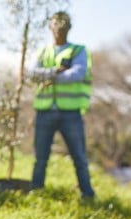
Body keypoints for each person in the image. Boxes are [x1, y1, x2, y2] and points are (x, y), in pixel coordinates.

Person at [30, 11, 95, 198]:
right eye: (55, 26)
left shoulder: (78, 50)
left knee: (79, 157)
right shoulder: (43, 51)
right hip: (44, 111)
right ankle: (36, 191)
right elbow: (32, 73)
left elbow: (77, 74)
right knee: (40, 158)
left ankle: (87, 193)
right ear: (50, 27)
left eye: (63, 26)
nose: (59, 30)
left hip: (70, 113)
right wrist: (55, 71)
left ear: (69, 28)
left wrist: (49, 75)